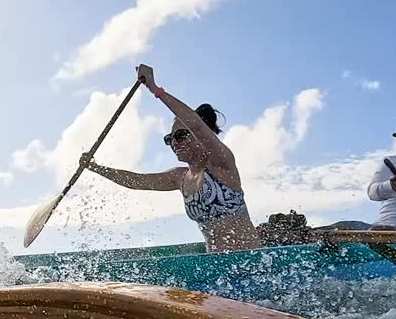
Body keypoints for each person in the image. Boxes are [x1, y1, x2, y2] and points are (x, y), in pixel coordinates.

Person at [81, 64, 261, 253]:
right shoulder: (181, 178)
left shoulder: (221, 164)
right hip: (217, 272)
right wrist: (96, 168)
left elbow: (197, 125)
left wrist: (154, 88)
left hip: (253, 267)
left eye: (180, 135)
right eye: (169, 138)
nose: (174, 142)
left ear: (199, 135)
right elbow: (137, 181)